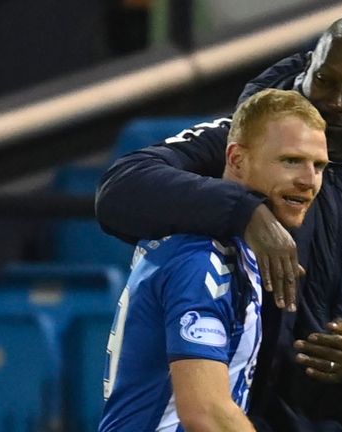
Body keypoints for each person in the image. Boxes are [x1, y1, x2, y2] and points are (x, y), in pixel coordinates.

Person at [96, 15, 342, 432]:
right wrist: (245, 210)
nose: (336, 103)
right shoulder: (243, 140)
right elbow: (120, 189)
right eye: (325, 81)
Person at [98, 88, 329, 432]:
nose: (308, 180)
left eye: (319, 165)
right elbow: (206, 413)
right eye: (291, 160)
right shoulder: (202, 260)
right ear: (236, 159)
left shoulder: (231, 252)